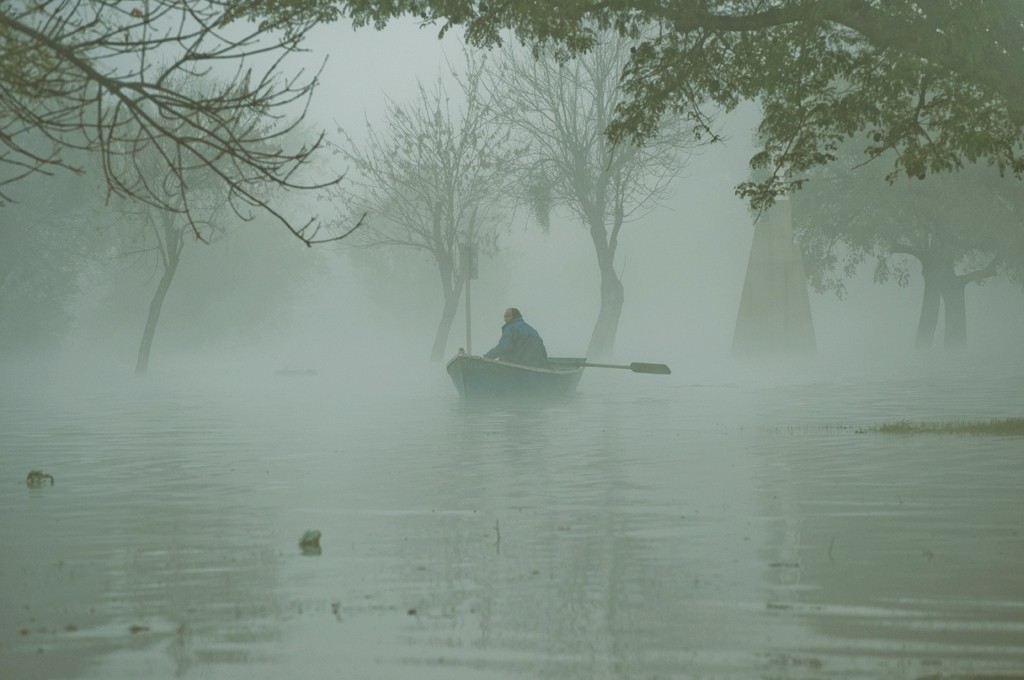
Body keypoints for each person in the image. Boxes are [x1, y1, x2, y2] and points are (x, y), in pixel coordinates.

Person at [483, 307, 549, 368]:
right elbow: (543, 350)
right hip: (538, 367)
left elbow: (504, 347)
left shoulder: (511, 328)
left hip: (518, 367)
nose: (505, 319)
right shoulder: (533, 330)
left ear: (514, 317)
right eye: (504, 317)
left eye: (507, 316)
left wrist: (487, 357)